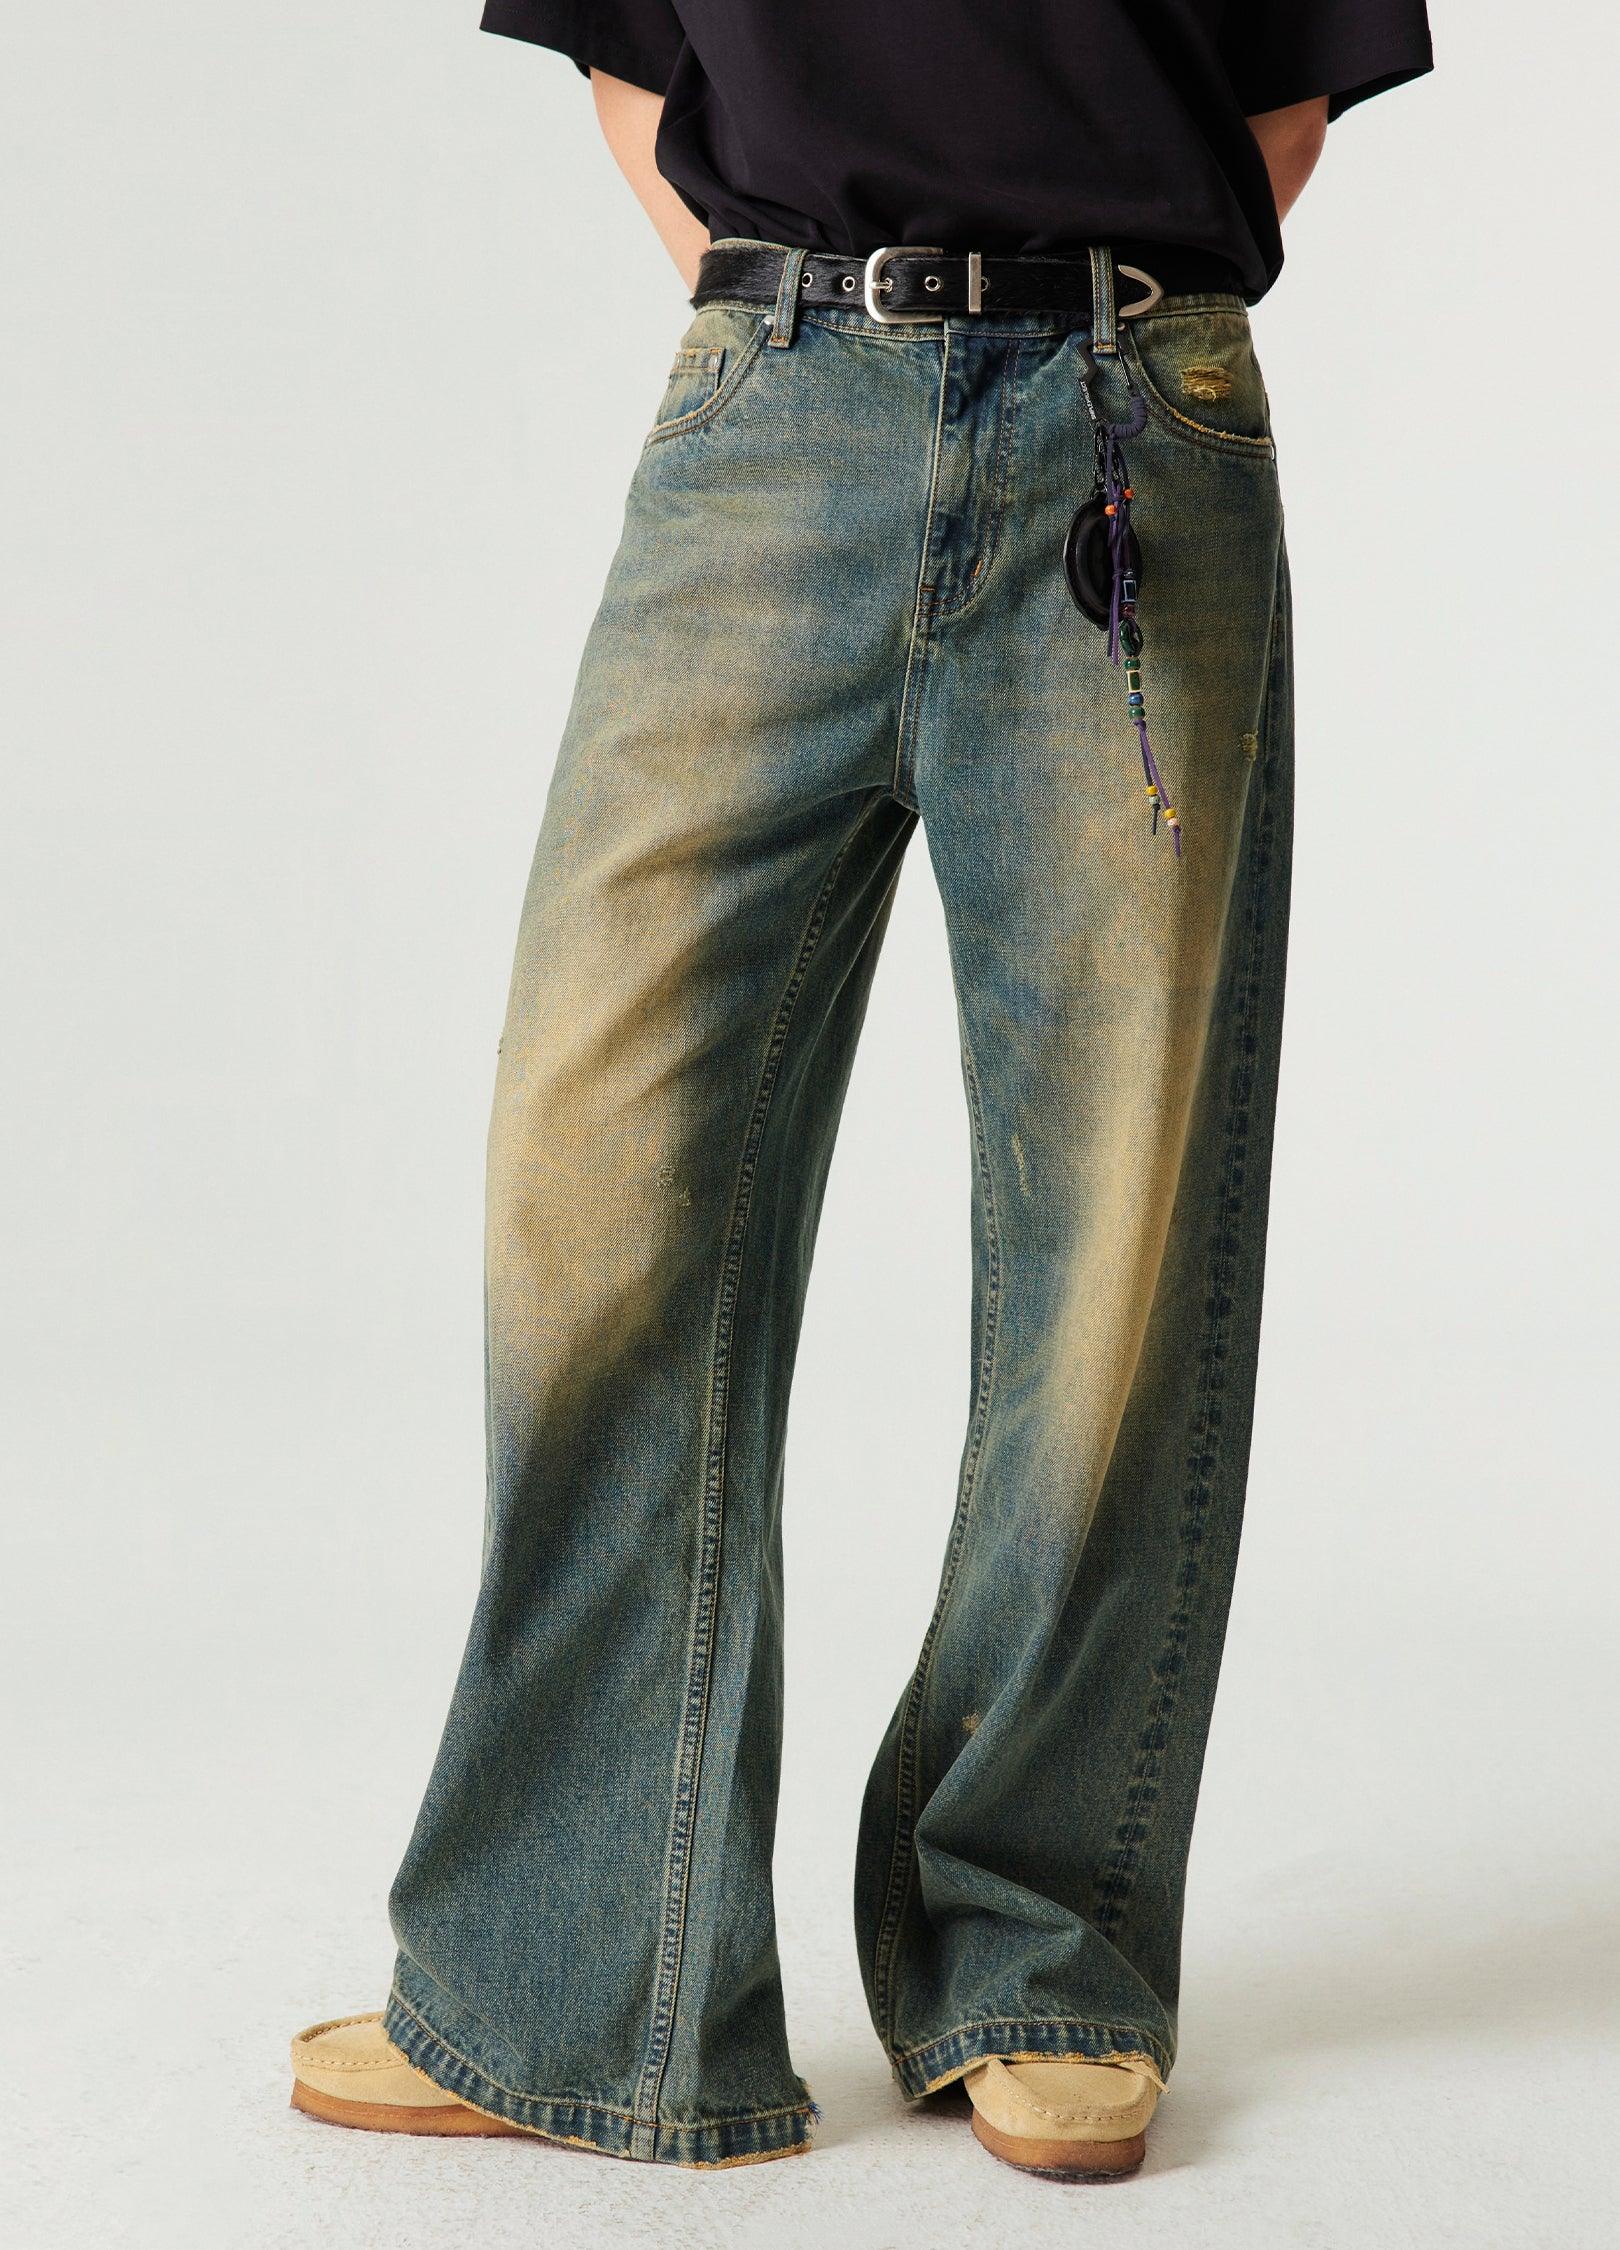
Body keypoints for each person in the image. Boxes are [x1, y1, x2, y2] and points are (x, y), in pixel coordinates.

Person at [289, 0, 1432, 2179]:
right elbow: (628, 51)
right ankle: (577, 1972)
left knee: (1116, 1226)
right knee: (594, 1179)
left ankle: (1039, 1955)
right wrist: (820, 313)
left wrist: (1078, 290)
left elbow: (1285, 91)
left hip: (1129, 416)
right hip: (776, 402)